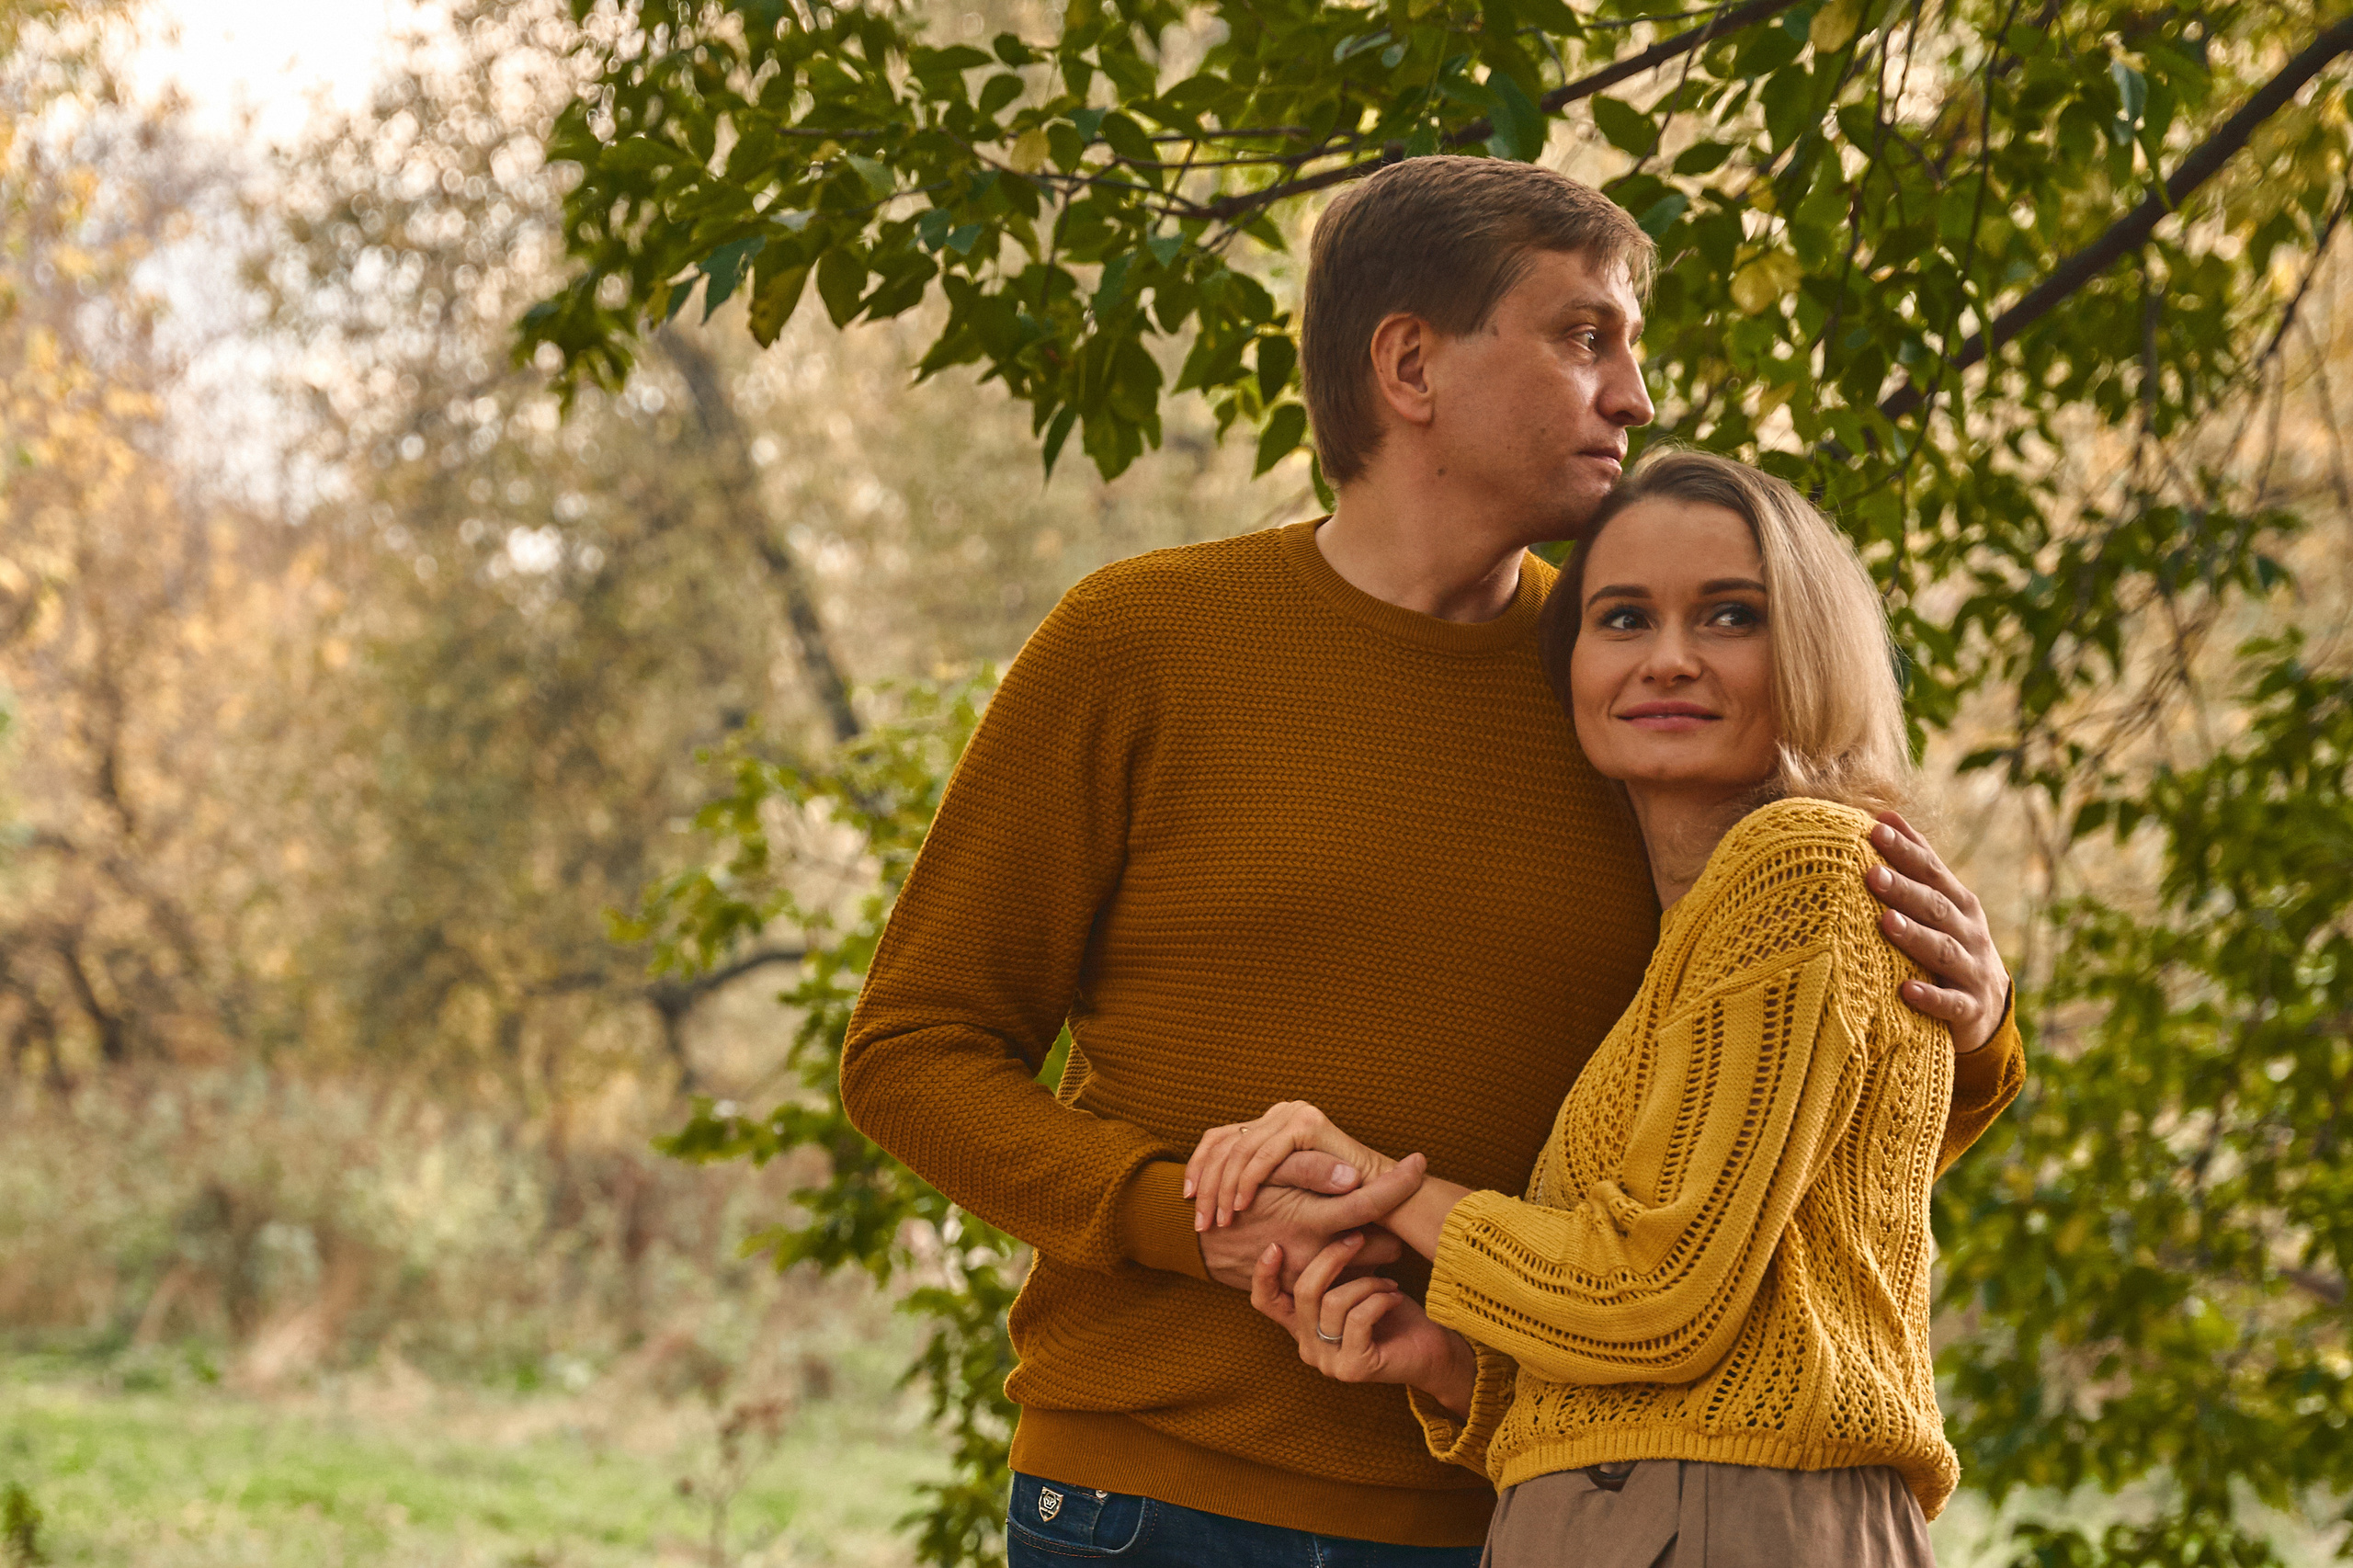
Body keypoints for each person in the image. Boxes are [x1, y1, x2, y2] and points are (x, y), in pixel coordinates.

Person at [839, 156, 2024, 1567]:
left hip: (1541, 1508)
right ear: (1410, 365)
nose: (1636, 397)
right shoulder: (1141, 643)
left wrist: (1975, 1030)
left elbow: (1777, 1139)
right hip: (1155, 1499)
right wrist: (1185, 1221)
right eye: (1585, 337)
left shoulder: (1635, 695)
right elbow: (911, 1053)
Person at [1214, 449, 1973, 1565]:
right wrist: (1447, 1363)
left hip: (1729, 1521)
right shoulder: (1703, 925)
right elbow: (1711, 1351)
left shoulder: (1799, 862)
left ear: (1812, 649)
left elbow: (1661, 1289)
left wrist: (1374, 1181)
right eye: (1622, 618)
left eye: (1729, 615)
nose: (1667, 657)